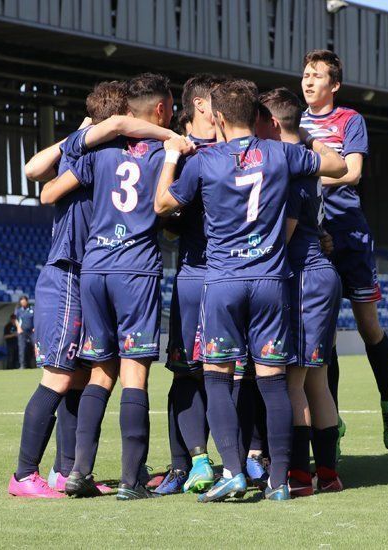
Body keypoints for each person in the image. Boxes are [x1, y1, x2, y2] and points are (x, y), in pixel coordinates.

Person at [155, 78, 347, 501]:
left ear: (219, 117)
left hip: (222, 281)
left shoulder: (205, 162)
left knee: (218, 377)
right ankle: (280, 481)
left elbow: (163, 206)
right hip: (271, 282)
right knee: (273, 381)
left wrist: (170, 160)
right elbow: (339, 167)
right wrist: (305, 144)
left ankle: (234, 472)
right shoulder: (282, 153)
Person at [9, 78, 177, 499]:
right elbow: (43, 186)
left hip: (93, 271)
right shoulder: (94, 148)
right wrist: (80, 137)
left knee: (83, 376)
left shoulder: (100, 154)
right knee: (61, 376)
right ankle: (25, 474)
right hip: (69, 272)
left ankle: (68, 471)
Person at [300, 49, 388, 452]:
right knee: (323, 336)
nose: (308, 81)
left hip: (349, 235)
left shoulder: (350, 120)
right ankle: (334, 422)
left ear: (334, 84)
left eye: (317, 76)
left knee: (368, 326)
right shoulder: (295, 122)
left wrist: (301, 177)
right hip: (311, 238)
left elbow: (354, 172)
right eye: (305, 74)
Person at [259, 87, 345, 494]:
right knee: (318, 380)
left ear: (272, 124)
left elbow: (285, 232)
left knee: (293, 381)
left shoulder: (287, 165)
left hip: (304, 276)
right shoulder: (308, 160)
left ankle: (298, 475)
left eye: (258, 124)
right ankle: (327, 475)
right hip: (319, 274)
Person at [153, 73, 226, 496]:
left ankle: (247, 460)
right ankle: (183, 465)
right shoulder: (177, 150)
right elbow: (158, 208)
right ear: (201, 105)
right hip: (194, 273)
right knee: (185, 373)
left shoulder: (239, 145)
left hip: (234, 276)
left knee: (237, 374)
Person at [14, 296, 34, 369]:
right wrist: (18, 328)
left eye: (24, 301)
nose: (23, 303)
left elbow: (36, 318)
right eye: (21, 301)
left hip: (32, 332)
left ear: (27, 301)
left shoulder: (32, 309)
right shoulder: (18, 310)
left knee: (36, 347)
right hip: (22, 332)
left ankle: (40, 363)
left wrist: (35, 327)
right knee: (22, 348)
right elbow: (15, 319)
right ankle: (22, 365)